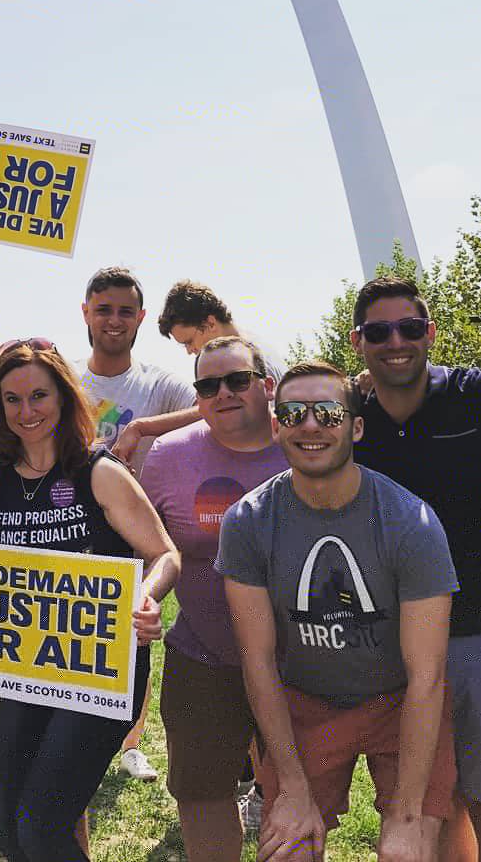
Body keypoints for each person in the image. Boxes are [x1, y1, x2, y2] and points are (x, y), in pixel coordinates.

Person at [0, 341, 180, 862]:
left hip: (100, 672)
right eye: (11, 400)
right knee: (6, 831)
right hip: (26, 673)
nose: (26, 412)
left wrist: (146, 595)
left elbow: (165, 553)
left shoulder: (99, 472)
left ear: (63, 398)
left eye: (38, 396)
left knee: (42, 831)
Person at [0, 231, 194, 778]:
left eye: (126, 311)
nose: (28, 409)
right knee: (34, 814)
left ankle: (127, 745)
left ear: (141, 318)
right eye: (103, 309)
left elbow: (220, 402)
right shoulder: (47, 370)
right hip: (31, 634)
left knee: (51, 802)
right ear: (85, 313)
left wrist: (144, 428)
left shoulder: (157, 384)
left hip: (107, 574)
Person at [218, 360, 459, 862]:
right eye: (294, 412)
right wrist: (291, 788)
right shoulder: (249, 521)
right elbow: (257, 661)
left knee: (415, 852)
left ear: (356, 426)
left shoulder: (409, 521)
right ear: (277, 424)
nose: (311, 425)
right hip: (305, 701)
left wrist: (410, 816)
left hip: (400, 700)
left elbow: (427, 675)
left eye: (328, 413)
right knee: (287, 848)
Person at [349, 276, 481, 862]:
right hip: (393, 651)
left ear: (431, 333)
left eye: (410, 328)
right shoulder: (348, 418)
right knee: (433, 811)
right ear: (359, 340)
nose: (396, 342)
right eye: (380, 331)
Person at [139, 335, 287, 862]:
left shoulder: (307, 443)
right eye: (207, 385)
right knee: (203, 795)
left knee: (296, 796)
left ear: (267, 386)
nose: (222, 393)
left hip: (301, 661)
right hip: (203, 656)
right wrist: (143, 598)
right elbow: (139, 546)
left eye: (237, 380)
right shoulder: (167, 456)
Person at [157, 279, 285, 381]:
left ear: (210, 323)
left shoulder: (255, 366)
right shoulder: (251, 353)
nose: (190, 351)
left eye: (189, 342)